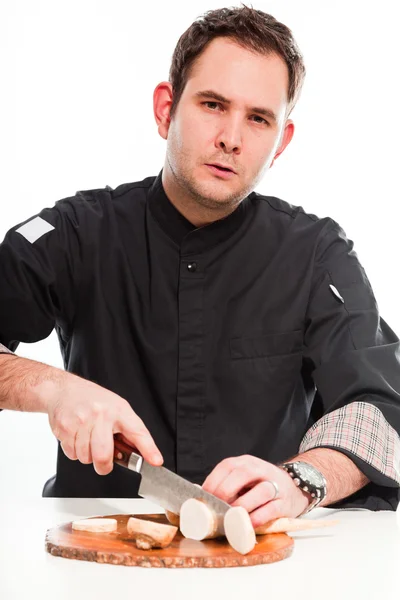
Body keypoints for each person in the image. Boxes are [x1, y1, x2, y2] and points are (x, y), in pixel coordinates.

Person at [1, 5, 399, 525]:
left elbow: (383, 409)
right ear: (166, 109)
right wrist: (51, 389)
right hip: (91, 558)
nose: (232, 138)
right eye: (213, 104)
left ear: (281, 141)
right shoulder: (75, 234)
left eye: (259, 118)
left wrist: (303, 479)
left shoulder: (318, 254)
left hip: (261, 560)